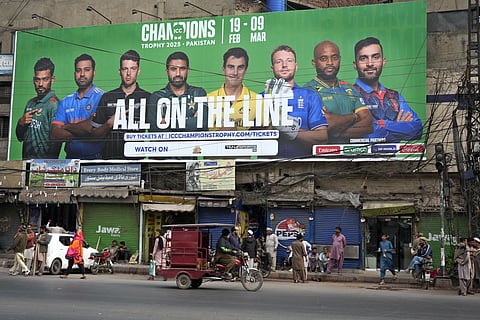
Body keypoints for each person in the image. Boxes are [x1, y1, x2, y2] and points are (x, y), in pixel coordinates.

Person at [81, 49, 150, 159]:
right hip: (110, 162)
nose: (128, 73)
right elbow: (94, 135)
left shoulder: (148, 98)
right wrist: (108, 124)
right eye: (125, 69)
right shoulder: (108, 97)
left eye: (133, 69)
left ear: (138, 71)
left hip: (137, 163)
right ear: (119, 71)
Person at [353, 37, 423, 142]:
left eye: (375, 57)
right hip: (360, 157)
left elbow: (418, 129)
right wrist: (400, 129)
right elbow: (370, 134)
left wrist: (382, 124)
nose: (370, 63)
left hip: (397, 158)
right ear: (355, 65)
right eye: (363, 58)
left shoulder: (395, 96)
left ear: (383, 61)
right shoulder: (348, 95)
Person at [264, 45, 328, 157]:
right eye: (279, 62)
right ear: (272, 68)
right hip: (268, 167)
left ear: (296, 66)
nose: (284, 65)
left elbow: (322, 138)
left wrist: (292, 130)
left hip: (303, 167)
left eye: (289, 61)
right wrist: (272, 126)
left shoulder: (310, 96)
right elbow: (252, 142)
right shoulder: (262, 97)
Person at [304, 41, 373, 143]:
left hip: (353, 155)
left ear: (339, 59)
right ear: (314, 63)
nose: (330, 63)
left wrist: (334, 131)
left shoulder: (350, 89)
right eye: (323, 59)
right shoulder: (307, 91)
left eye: (335, 57)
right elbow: (327, 124)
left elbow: (368, 125)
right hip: (324, 156)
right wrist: (354, 116)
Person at [50, 53, 104, 159]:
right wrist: (86, 133)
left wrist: (66, 127)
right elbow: (54, 134)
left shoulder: (103, 97)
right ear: (75, 73)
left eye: (87, 70)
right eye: (79, 70)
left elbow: (90, 128)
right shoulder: (66, 102)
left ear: (94, 73)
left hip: (96, 161)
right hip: (71, 161)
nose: (82, 74)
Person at [147, 51, 207, 132]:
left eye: (182, 69)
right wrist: (191, 121)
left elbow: (203, 124)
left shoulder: (199, 93)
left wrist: (166, 122)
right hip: (167, 145)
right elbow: (155, 130)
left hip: (194, 145)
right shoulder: (157, 97)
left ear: (188, 70)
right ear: (167, 72)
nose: (178, 73)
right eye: (173, 69)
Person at [15, 57, 62, 159]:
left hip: (43, 167)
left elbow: (56, 142)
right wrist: (21, 123)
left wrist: (46, 166)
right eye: (37, 80)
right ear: (33, 80)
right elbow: (20, 137)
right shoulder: (30, 104)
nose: (40, 84)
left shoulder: (54, 105)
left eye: (45, 79)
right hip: (26, 164)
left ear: (52, 80)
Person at [207, 47, 257, 130]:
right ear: (223, 69)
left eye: (240, 67)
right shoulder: (208, 100)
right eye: (231, 67)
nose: (235, 73)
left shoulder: (258, 100)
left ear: (246, 70)